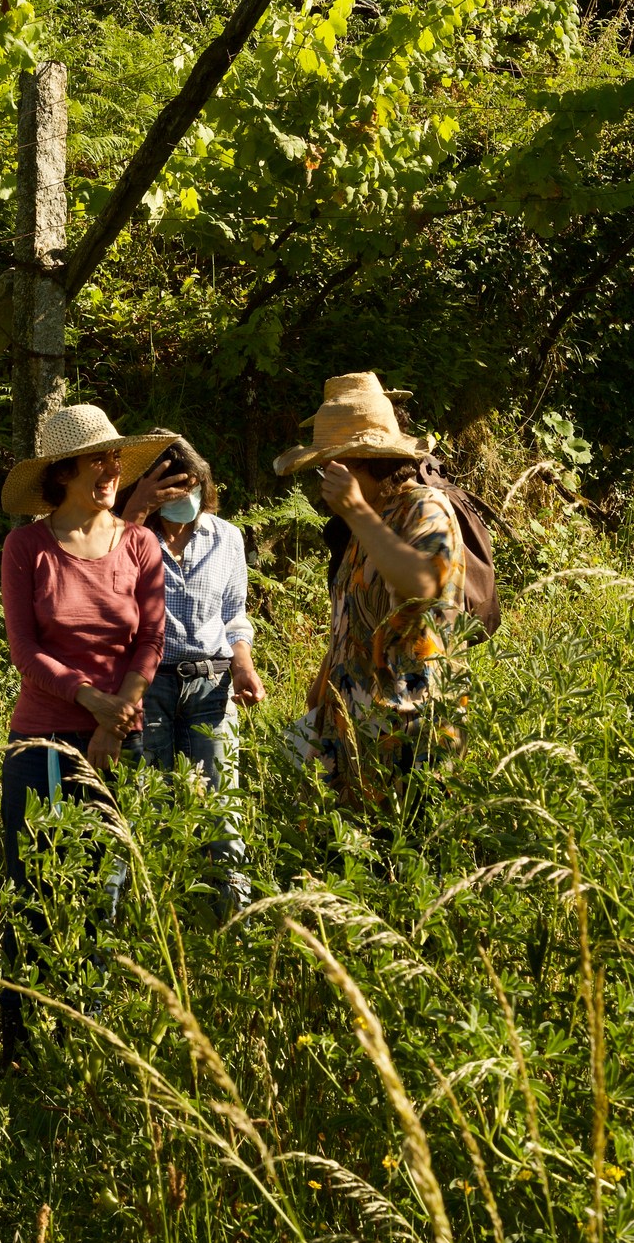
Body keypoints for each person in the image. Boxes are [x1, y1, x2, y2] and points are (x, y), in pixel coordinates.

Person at [0, 405, 174, 1057]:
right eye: (96, 461)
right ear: (62, 471)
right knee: (34, 892)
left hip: (119, 737)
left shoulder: (139, 544)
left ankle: (86, 1041)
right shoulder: (27, 547)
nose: (110, 471)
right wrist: (91, 702)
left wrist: (116, 720)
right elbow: (26, 650)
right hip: (42, 743)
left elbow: (150, 639)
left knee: (103, 891)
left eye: (114, 459)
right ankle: (21, 1045)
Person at [275, 372, 468, 811]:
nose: (324, 479)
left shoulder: (422, 507)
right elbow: (355, 617)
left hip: (408, 729)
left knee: (408, 861)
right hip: (355, 729)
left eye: (333, 466)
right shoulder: (361, 525)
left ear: (366, 461)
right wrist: (324, 682)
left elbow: (423, 583)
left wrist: (358, 512)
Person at [118, 437, 266, 916]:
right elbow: (104, 582)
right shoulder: (130, 537)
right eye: (172, 488)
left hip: (212, 683)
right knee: (147, 802)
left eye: (192, 487)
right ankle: (152, 920)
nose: (185, 498)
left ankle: (232, 919)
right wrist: (137, 510)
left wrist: (242, 660)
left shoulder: (227, 537)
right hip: (149, 683)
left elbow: (234, 614)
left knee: (222, 807)